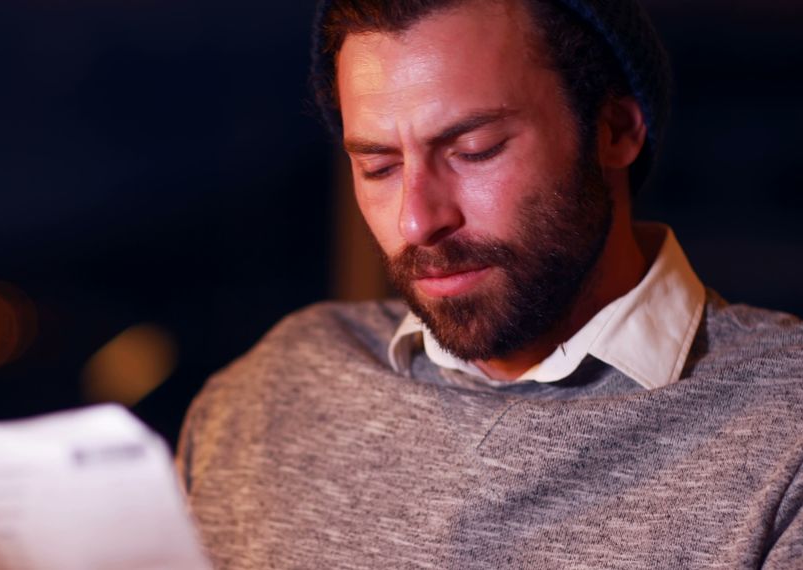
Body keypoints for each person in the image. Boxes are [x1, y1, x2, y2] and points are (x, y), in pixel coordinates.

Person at [175, 0, 802, 567]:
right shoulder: (266, 392)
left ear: (614, 130)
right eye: (378, 167)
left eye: (474, 149)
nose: (418, 221)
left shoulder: (783, 429)